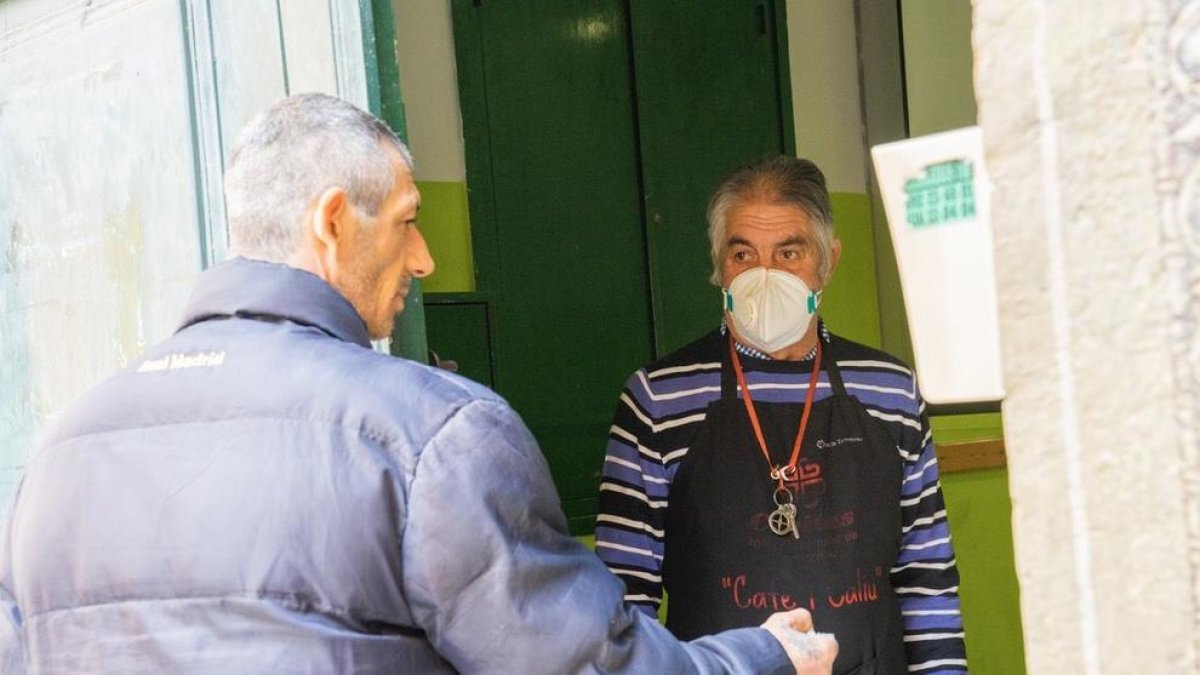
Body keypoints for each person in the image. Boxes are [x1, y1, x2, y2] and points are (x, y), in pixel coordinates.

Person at [0, 95, 838, 674]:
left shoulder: (64, 447)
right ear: (334, 222)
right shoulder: (429, 435)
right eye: (407, 220)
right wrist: (763, 654)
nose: (426, 258)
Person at [595, 156, 968, 674]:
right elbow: (623, 602)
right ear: (718, 267)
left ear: (827, 262)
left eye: (789, 252)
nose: (764, 276)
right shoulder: (659, 398)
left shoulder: (890, 390)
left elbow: (927, 577)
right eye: (743, 253)